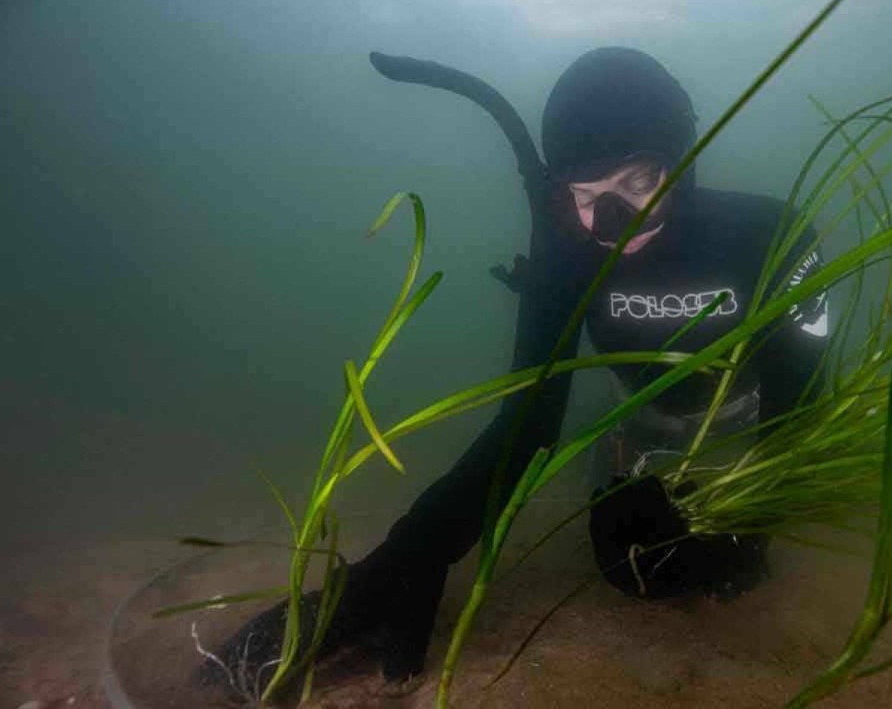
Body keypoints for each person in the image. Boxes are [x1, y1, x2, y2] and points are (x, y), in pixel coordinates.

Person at [207, 46, 829, 688]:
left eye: (641, 183)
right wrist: (405, 560)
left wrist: (748, 533)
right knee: (621, 538)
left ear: (685, 160)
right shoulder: (567, 253)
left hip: (748, 426)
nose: (615, 223)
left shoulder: (769, 236)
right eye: (586, 195)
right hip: (643, 424)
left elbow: (801, 408)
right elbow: (528, 422)